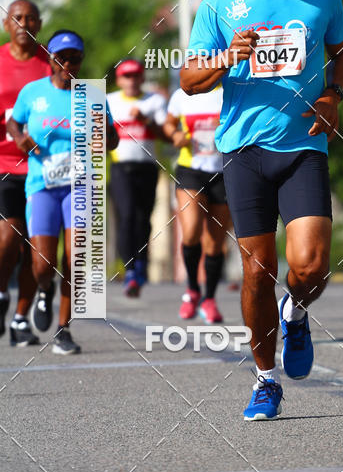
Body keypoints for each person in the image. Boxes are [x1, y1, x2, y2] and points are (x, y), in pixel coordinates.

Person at [180, 0, 343, 420]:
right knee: (258, 270)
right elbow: (189, 81)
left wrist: (332, 95)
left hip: (302, 146)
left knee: (312, 265)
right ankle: (264, 379)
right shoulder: (218, 3)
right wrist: (226, 57)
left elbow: (341, 52)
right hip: (244, 150)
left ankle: (295, 311)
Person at [8, 30, 118, 355]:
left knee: (77, 257)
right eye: (62, 57)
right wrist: (19, 139)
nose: (68, 63)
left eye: (75, 58)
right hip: (42, 186)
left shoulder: (93, 95)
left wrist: (104, 139)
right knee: (42, 265)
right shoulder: (33, 93)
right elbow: (13, 123)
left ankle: (63, 329)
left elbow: (113, 138)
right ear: (50, 58)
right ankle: (44, 289)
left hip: (80, 187)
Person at [0, 0, 51, 346]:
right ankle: (2, 293)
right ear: (7, 24)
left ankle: (21, 318)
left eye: (31, 18)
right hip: (4, 165)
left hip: (44, 166)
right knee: (9, 237)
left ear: (39, 24)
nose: (24, 23)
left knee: (38, 250)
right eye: (17, 17)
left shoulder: (52, 62)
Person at [163, 84, 230, 323]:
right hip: (191, 170)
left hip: (224, 172)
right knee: (190, 231)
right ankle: (192, 289)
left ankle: (209, 299)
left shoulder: (230, 90)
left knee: (215, 243)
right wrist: (174, 134)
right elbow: (169, 124)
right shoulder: (182, 95)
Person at [107, 59, 167, 297]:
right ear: (119, 80)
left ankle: (141, 263)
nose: (131, 81)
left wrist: (146, 121)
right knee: (127, 216)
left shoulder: (154, 101)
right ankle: (130, 270)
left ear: (142, 78)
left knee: (144, 219)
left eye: (135, 76)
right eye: (126, 76)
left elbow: (166, 134)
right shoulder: (109, 101)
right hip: (121, 167)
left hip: (148, 167)